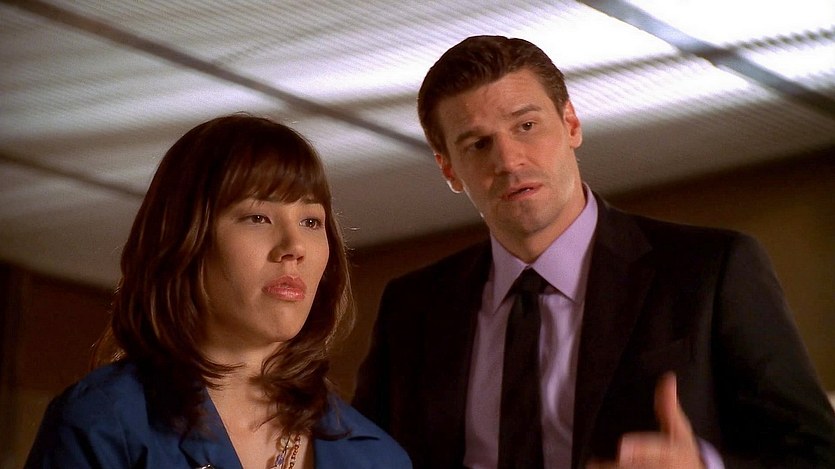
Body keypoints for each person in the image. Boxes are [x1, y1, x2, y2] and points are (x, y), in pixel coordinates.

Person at [352, 35, 835, 469]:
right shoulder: (412, 309)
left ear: (571, 124)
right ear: (448, 170)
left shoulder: (711, 270)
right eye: (478, 145)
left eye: (526, 125)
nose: (509, 160)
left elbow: (816, 453)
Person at [25, 114, 412, 469]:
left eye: (311, 221)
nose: (295, 246)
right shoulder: (102, 423)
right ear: (185, 240)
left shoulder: (379, 458)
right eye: (258, 217)